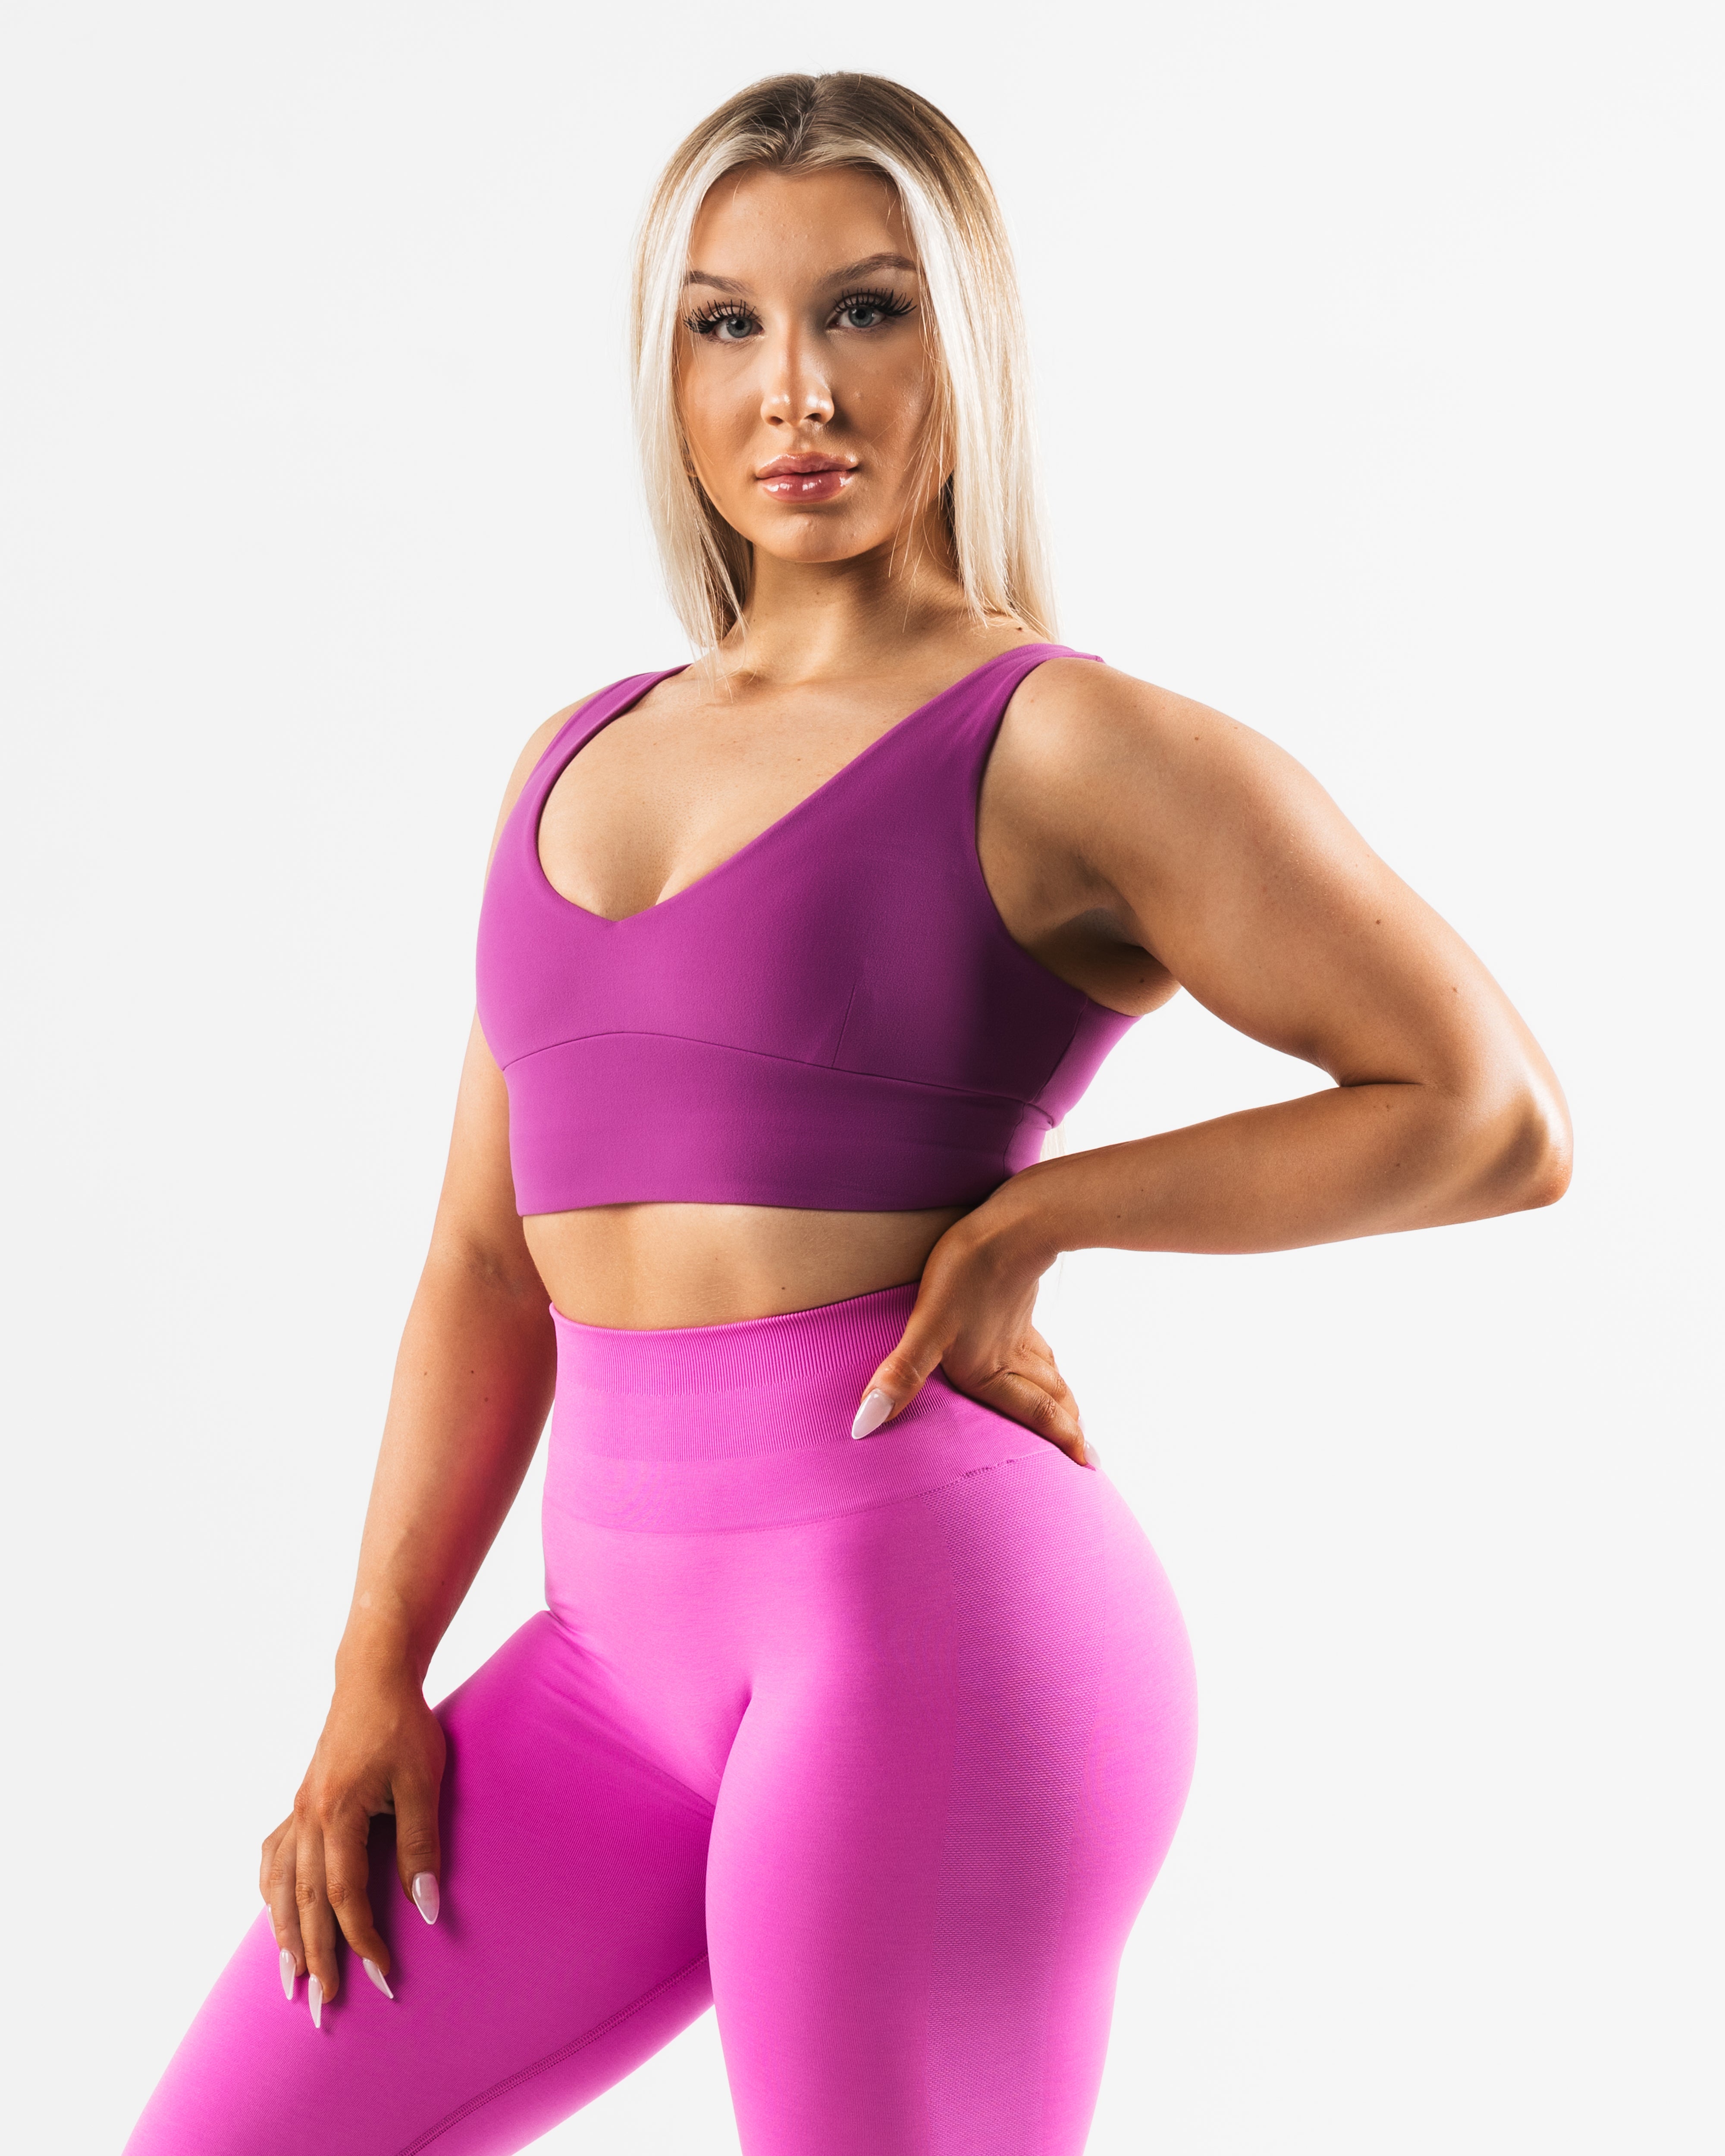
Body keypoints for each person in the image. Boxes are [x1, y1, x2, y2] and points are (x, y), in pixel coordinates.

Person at [124, 69, 1570, 2156]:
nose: (792, 390)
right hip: (606, 1662)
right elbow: (482, 1262)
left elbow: (1488, 1110)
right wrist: (376, 1668)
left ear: (962, 347)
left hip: (935, 1634)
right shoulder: (574, 753)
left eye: (865, 312)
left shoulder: (1062, 742)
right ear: (667, 368)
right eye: (726, 323)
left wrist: (1036, 1218)